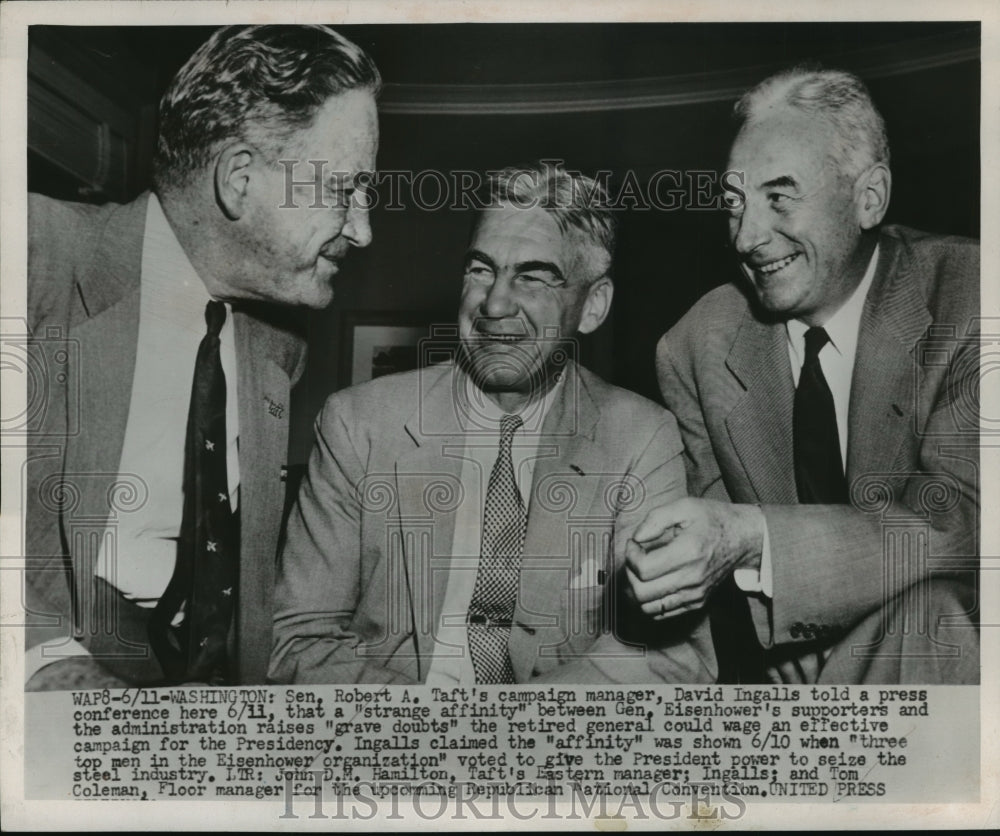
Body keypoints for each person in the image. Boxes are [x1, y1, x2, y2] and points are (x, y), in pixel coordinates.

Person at [25, 24, 380, 689]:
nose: (363, 229)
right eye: (342, 191)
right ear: (238, 179)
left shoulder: (279, 346)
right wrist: (50, 675)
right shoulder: (31, 255)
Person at [270, 163, 716, 685]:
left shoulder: (641, 437)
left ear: (592, 306)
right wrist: (438, 730)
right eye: (480, 270)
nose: (495, 303)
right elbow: (296, 641)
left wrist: (506, 733)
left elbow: (672, 659)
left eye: (531, 276)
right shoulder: (358, 425)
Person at [627, 67, 979, 684]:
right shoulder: (695, 347)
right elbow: (720, 592)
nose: (747, 236)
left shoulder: (972, 297)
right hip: (791, 699)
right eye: (734, 203)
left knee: (932, 613)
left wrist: (756, 538)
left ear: (869, 197)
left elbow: (961, 528)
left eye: (778, 197)